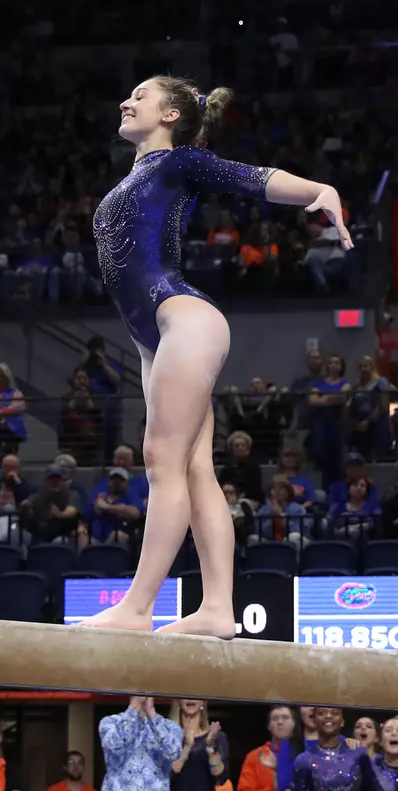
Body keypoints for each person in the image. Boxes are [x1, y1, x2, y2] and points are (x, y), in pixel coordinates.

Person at [77, 77, 350, 639]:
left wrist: (316, 189)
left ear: (172, 113)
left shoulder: (177, 163)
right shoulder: (140, 175)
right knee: (195, 468)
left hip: (185, 320)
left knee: (160, 462)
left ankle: (136, 607)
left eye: (140, 95)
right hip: (157, 335)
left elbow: (250, 179)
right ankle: (216, 610)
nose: (125, 101)